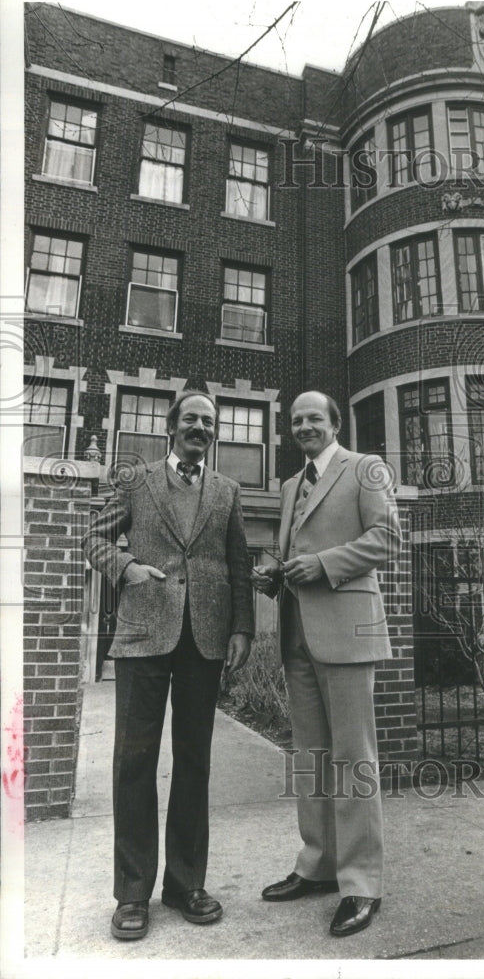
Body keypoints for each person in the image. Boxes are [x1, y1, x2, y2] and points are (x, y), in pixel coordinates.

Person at [83, 390, 254, 941]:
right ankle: (132, 894)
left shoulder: (226, 491)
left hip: (203, 641)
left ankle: (185, 885)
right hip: (142, 636)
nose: (200, 427)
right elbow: (95, 538)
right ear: (171, 427)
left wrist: (242, 628)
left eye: (209, 421)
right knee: (133, 763)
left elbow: (238, 563)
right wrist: (127, 565)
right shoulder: (137, 481)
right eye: (191, 419)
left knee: (194, 763)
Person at [252, 391, 401, 937]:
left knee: (352, 757)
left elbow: (387, 539)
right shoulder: (292, 486)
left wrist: (323, 565)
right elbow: (298, 548)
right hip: (298, 636)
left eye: (314, 418)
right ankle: (318, 865)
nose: (304, 426)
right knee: (310, 758)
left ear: (335, 424)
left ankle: (362, 884)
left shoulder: (366, 470)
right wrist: (275, 571)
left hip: (348, 635)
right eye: (295, 420)